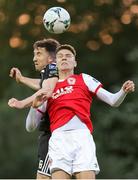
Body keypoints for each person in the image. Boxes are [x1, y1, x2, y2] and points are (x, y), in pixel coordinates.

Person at [25, 44, 135, 179]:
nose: (64, 58)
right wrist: (33, 106)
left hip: (82, 138)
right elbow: (30, 127)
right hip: (59, 140)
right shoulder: (48, 88)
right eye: (60, 56)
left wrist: (122, 91)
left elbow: (113, 101)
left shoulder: (84, 79)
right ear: (56, 63)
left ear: (75, 62)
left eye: (68, 56)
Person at [8, 38, 60, 179]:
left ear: (50, 58)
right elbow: (43, 84)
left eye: (38, 54)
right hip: (55, 132)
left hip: (53, 134)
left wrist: (21, 103)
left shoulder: (52, 67)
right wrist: (22, 79)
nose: (34, 58)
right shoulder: (52, 71)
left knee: (43, 177)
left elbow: (46, 89)